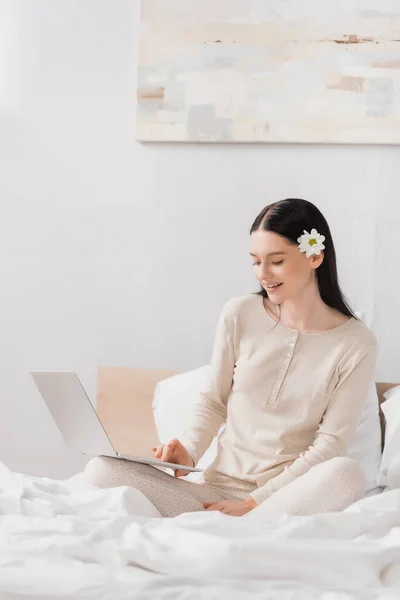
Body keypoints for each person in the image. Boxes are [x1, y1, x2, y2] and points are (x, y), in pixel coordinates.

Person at [85, 198, 377, 519]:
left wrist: (254, 503)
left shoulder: (355, 342)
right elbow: (214, 401)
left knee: (345, 473)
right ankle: (233, 524)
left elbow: (330, 445)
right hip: (213, 493)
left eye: (276, 261)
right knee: (101, 470)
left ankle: (244, 522)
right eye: (255, 261)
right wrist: (188, 452)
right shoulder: (240, 313)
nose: (263, 274)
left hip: (284, 497)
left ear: (315, 255)